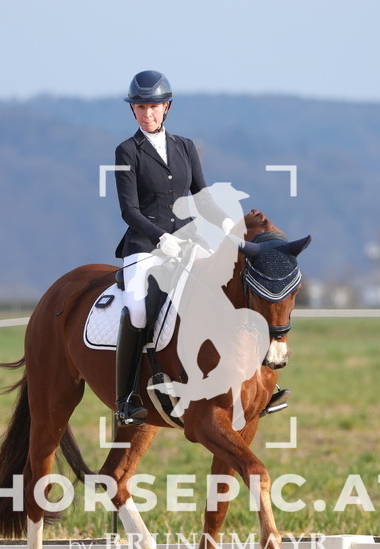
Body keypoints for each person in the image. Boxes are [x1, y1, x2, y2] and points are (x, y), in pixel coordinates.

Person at [112, 70, 289, 427]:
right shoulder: (127, 151)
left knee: (229, 292)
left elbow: (202, 198)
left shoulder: (185, 147)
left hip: (189, 242)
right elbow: (129, 210)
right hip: (145, 247)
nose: (147, 113)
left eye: (153, 107)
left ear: (167, 108)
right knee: (138, 310)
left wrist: (229, 226)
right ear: (133, 111)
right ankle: (127, 397)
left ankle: (259, 386)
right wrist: (162, 238)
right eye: (140, 107)